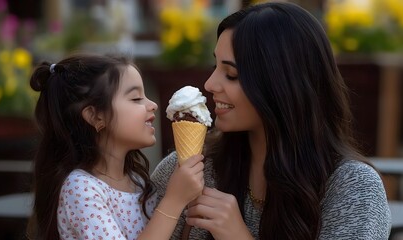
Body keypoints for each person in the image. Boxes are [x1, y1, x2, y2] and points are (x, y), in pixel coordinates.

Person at [151, 2, 391, 240]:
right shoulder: (185, 173)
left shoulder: (353, 188)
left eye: (231, 74)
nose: (210, 84)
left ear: (282, 84)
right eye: (215, 67)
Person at [26, 53, 204, 239]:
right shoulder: (81, 189)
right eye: (136, 99)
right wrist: (174, 201)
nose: (152, 105)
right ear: (96, 116)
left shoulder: (138, 182)